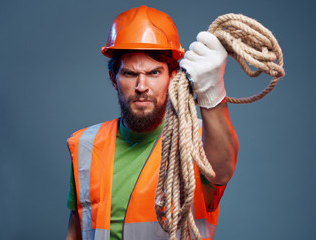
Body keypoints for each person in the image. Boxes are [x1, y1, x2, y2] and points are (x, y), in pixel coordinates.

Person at [65, 5, 238, 240]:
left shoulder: (199, 137)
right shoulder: (86, 144)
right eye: (130, 74)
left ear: (173, 76)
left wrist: (212, 91)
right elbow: (76, 230)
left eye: (154, 73)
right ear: (113, 78)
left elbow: (221, 171)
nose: (141, 86)